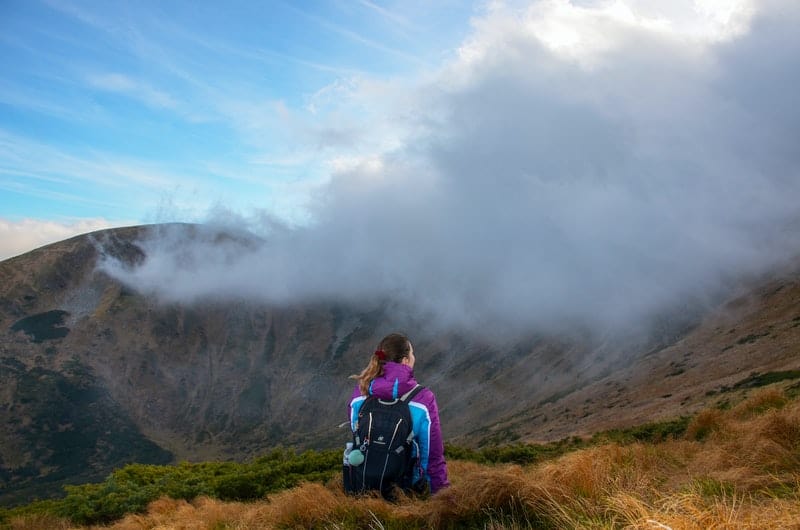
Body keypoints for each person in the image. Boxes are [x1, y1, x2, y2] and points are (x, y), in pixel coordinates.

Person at [347, 333, 450, 495]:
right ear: (405, 361)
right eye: (412, 353)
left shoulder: (360, 393)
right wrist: (443, 498)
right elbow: (432, 456)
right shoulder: (423, 399)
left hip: (361, 487)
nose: (414, 357)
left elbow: (356, 432)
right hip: (405, 493)